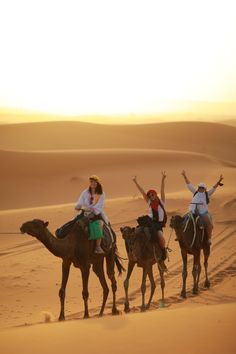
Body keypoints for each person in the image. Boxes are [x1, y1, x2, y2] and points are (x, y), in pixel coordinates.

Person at [181, 170, 224, 244]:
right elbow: (189, 184)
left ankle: (209, 238)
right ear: (198, 188)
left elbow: (214, 188)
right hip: (192, 212)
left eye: (202, 188)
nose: (201, 189)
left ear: (205, 188)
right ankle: (181, 236)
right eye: (200, 187)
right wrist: (185, 176)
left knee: (209, 224)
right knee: (182, 220)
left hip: (203, 213)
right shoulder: (195, 192)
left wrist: (219, 181)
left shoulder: (207, 194)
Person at [132, 172, 167, 261]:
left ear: (155, 194)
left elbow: (162, 190)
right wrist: (135, 182)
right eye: (150, 195)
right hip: (150, 222)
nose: (151, 196)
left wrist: (163, 180)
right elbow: (142, 192)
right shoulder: (149, 203)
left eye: (152, 194)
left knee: (160, 237)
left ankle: (163, 252)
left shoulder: (161, 202)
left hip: (158, 225)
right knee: (137, 232)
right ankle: (134, 252)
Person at [75, 175, 107, 254]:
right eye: (91, 182)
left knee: (99, 225)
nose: (93, 183)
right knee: (74, 223)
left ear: (97, 182)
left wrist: (91, 209)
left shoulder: (101, 193)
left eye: (94, 182)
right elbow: (80, 202)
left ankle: (98, 247)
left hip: (96, 214)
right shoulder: (85, 192)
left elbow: (99, 205)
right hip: (84, 213)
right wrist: (78, 206)